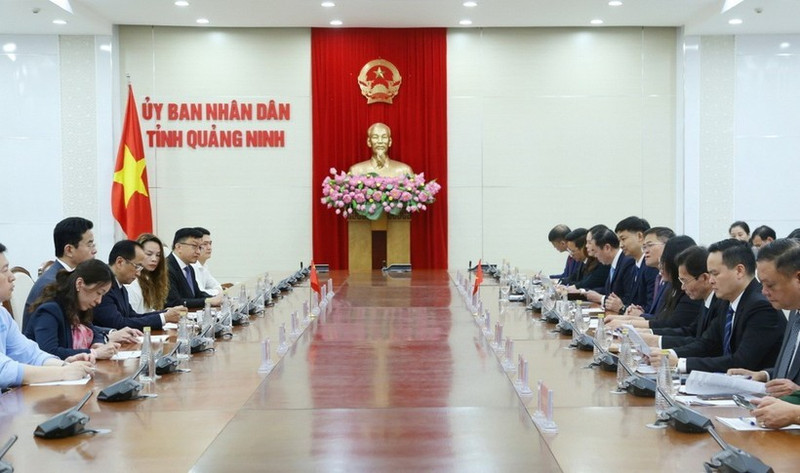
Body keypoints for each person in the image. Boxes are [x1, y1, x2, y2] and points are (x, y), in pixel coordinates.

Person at [649, 238, 786, 374]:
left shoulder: (761, 307)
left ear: (739, 271)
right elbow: (708, 344)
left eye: (715, 273)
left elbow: (741, 363)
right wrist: (667, 354)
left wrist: (680, 363)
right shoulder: (727, 301)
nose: (711, 280)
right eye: (709, 274)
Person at [0, 243, 94, 389]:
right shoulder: (50, 304)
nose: (12, 277)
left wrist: (65, 364)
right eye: (5, 270)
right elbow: (3, 371)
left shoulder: (2, 314)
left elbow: (30, 354)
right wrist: (62, 373)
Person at [728, 239, 800, 396]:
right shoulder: (795, 312)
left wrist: (798, 393)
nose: (764, 292)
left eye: (771, 285)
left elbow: (794, 388)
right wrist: (764, 375)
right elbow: (792, 370)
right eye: (762, 284)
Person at [24, 259, 121, 360]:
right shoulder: (49, 310)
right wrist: (94, 352)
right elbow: (49, 352)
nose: (99, 301)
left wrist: (98, 344)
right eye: (98, 293)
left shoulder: (77, 305)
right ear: (79, 284)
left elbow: (95, 332)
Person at [607, 236, 701, 330]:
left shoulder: (690, 292)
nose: (661, 265)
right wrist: (625, 320)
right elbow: (659, 318)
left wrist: (626, 323)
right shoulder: (670, 286)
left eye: (663, 260)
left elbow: (671, 325)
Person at [640, 246, 724, 349]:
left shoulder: (721, 304)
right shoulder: (705, 299)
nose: (682, 287)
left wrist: (669, 354)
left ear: (705, 278)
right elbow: (691, 331)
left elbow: (706, 345)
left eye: (685, 281)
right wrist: (650, 333)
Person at [23, 217, 97, 331]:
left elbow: (81, 325)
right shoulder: (52, 285)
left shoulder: (70, 276)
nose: (94, 250)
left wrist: (109, 334)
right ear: (69, 250)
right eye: (89, 244)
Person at [94, 240, 186, 331]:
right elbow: (119, 324)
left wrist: (166, 313)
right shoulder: (102, 286)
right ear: (120, 262)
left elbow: (133, 316)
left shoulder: (120, 286)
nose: (138, 273)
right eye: (137, 266)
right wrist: (163, 317)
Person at [605, 217, 659, 313]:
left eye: (623, 239)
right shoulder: (633, 266)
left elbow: (651, 309)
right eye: (619, 241)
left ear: (639, 236)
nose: (621, 245)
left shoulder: (651, 267)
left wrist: (622, 308)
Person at [623, 227, 675, 318]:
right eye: (644, 247)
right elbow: (655, 313)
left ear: (668, 246)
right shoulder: (659, 278)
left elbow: (668, 321)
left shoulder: (674, 279)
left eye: (650, 245)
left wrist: (642, 315)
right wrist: (641, 312)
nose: (645, 251)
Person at [166, 228, 222, 309]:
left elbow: (197, 294)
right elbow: (174, 302)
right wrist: (208, 301)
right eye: (194, 246)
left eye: (199, 247)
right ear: (178, 247)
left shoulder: (189, 268)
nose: (198, 252)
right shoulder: (166, 268)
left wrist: (216, 299)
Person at [582, 227, 636, 308]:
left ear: (607, 248)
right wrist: (586, 292)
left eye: (596, 252)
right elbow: (609, 291)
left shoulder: (627, 263)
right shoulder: (613, 263)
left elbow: (629, 299)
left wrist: (602, 298)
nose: (595, 257)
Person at [348, 122, 413, 177]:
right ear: (369, 142)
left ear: (390, 142)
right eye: (375, 137)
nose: (380, 141)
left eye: (384, 137)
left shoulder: (404, 170)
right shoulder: (356, 171)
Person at [127, 233, 169, 313]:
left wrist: (165, 313)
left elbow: (149, 311)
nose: (154, 259)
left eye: (158, 255)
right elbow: (133, 316)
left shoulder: (151, 278)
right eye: (149, 254)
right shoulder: (132, 282)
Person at [562, 228, 608, 294]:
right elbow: (574, 278)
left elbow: (587, 283)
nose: (571, 255)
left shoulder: (602, 262)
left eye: (573, 251)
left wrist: (570, 288)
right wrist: (559, 283)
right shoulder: (584, 261)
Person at [192, 227, 223, 296]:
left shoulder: (204, 266)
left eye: (210, 243)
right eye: (205, 244)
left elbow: (218, 286)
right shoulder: (192, 266)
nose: (209, 247)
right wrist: (216, 292)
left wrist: (216, 291)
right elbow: (200, 292)